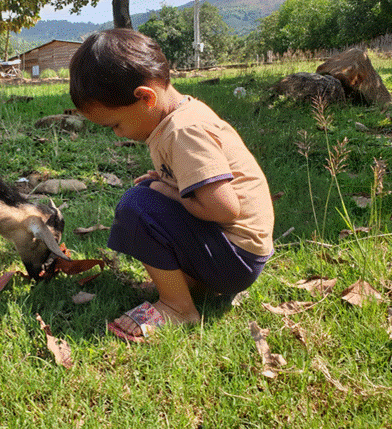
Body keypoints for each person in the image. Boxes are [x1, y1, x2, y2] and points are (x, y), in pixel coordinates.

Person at [69, 29, 274, 341]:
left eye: (116, 124)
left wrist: (168, 191)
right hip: (235, 253)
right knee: (145, 198)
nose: (118, 135)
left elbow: (226, 208)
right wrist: (167, 182)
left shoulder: (184, 130)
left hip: (237, 258)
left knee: (137, 207)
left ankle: (178, 307)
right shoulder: (173, 121)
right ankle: (189, 284)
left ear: (145, 97)